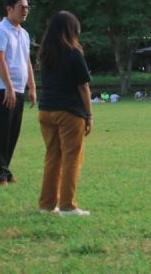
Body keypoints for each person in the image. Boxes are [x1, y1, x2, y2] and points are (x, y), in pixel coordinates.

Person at [37, 11, 93, 216]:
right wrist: (89, 115)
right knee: (71, 158)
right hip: (69, 112)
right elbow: (83, 87)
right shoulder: (73, 53)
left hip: (46, 111)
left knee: (53, 157)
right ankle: (68, 205)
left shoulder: (45, 53)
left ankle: (47, 204)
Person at [0, 0, 36, 186]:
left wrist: (31, 86)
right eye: (21, 7)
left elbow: (27, 61)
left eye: (27, 8)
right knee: (1, 130)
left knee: (13, 132)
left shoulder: (23, 33)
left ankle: (4, 170)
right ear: (9, 9)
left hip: (18, 88)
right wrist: (8, 87)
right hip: (1, 87)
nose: (25, 11)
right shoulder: (0, 31)